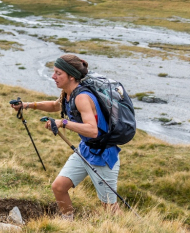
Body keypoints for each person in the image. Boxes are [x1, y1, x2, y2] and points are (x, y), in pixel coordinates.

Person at [12, 54, 120, 216]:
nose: (53, 76)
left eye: (58, 73)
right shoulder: (68, 93)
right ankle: (68, 223)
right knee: (59, 187)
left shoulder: (82, 97)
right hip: (85, 149)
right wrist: (26, 105)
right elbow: (56, 106)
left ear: (71, 76)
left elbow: (93, 130)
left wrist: (62, 123)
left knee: (109, 207)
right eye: (54, 72)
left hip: (103, 155)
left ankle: (125, 230)